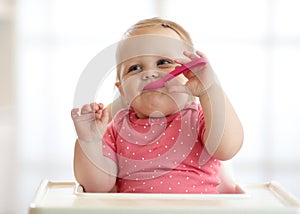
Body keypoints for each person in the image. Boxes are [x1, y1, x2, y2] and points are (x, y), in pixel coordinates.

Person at [71, 17, 244, 193]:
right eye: (135, 68)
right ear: (122, 89)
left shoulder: (199, 118)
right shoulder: (116, 128)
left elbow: (227, 148)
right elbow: (96, 187)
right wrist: (89, 140)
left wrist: (210, 89)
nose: (149, 74)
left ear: (189, 74)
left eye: (163, 63)